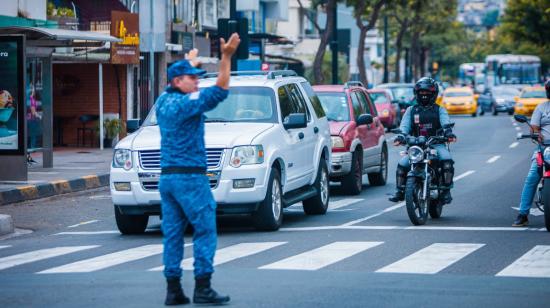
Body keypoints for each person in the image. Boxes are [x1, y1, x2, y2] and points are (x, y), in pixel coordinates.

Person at [156, 33, 241, 305]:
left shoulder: (162, 102)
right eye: (192, 78)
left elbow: (190, 81)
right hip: (190, 177)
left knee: (172, 234)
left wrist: (188, 62)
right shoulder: (186, 103)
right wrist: (226, 56)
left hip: (167, 177)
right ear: (177, 82)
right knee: (205, 229)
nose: (196, 81)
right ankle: (203, 287)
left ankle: (173, 289)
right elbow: (220, 90)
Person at [389, 77, 457, 204]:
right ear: (417, 94)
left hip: (436, 144)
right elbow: (404, 126)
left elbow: (445, 122)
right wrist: (402, 136)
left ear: (433, 94)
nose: (424, 95)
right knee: (402, 164)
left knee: (447, 160)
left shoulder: (439, 109)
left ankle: (446, 190)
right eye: (421, 93)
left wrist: (448, 133)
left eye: (427, 93)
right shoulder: (411, 110)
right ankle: (399, 191)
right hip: (416, 146)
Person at [513, 79, 550, 227]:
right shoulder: (541, 108)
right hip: (544, 148)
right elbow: (534, 126)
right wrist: (536, 134)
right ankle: (523, 214)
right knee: (531, 177)